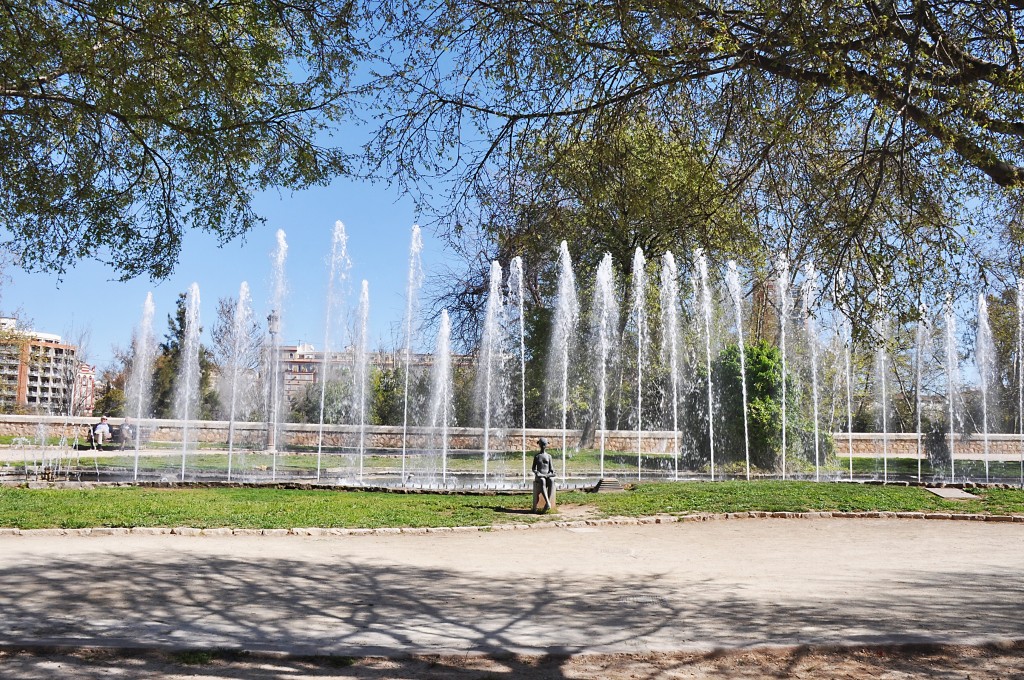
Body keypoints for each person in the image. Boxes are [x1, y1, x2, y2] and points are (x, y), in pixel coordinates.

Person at [532, 437, 556, 513]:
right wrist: (537, 473)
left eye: (544, 444)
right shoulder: (537, 456)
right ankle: (548, 502)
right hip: (540, 476)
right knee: (542, 480)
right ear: (540, 445)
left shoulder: (549, 456)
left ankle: (547, 503)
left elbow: (551, 469)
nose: (543, 446)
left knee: (551, 480)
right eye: (542, 444)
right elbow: (533, 468)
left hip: (547, 475)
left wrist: (550, 473)